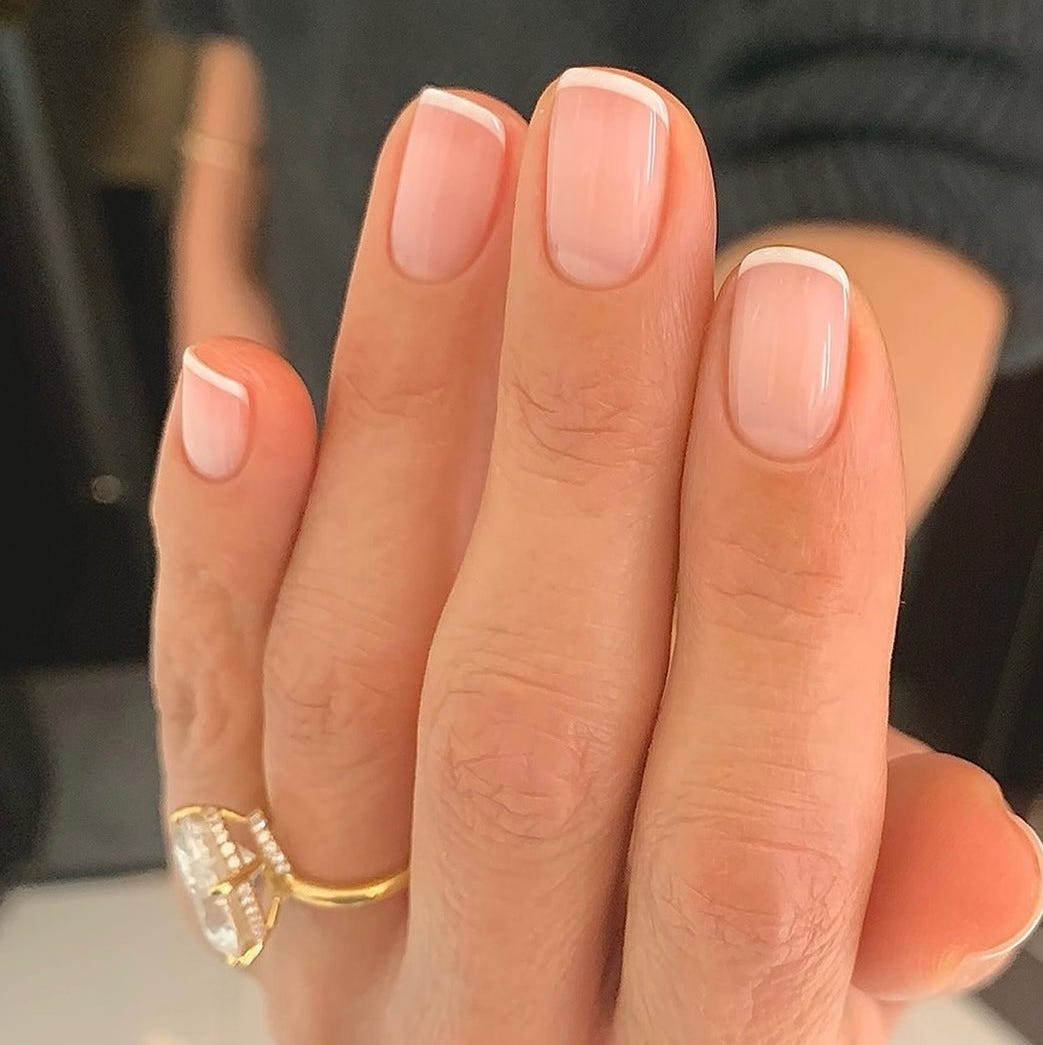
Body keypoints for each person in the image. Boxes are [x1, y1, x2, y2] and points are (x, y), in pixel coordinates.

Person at [150, 4, 1043, 1043]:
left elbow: (927, 120)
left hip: (596, 537)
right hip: (339, 375)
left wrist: (739, 513)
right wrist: (215, 235)